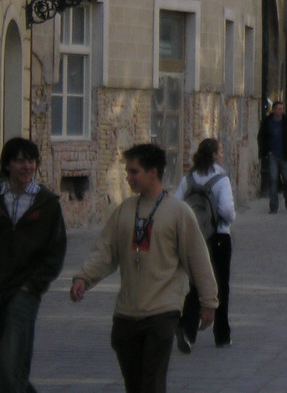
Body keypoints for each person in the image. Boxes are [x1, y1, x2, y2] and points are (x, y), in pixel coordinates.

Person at [70, 143, 217, 393]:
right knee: (134, 384)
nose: (128, 178)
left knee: (151, 382)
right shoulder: (125, 211)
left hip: (162, 310)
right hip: (127, 313)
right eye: (127, 172)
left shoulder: (178, 212)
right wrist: (84, 277)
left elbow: (197, 258)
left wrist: (208, 302)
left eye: (134, 172)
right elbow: (105, 251)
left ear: (153, 172)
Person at [1, 137, 67, 393]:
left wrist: (34, 285)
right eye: (20, 160)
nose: (26, 166)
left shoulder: (46, 203)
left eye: (30, 161)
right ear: (7, 165)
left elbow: (56, 250)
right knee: (8, 365)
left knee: (11, 357)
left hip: (23, 291)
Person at [172, 138, 234, 352]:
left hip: (193, 238)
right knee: (221, 285)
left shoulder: (189, 178)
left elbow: (176, 203)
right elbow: (227, 210)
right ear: (215, 155)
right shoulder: (221, 179)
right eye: (221, 151)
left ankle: (186, 328)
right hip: (218, 237)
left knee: (196, 283)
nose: (223, 155)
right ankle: (222, 334)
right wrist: (227, 219)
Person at [257, 101, 287, 213]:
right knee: (273, 180)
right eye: (278, 109)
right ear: (274, 110)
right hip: (273, 156)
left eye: (282, 109)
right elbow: (261, 137)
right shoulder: (267, 122)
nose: (280, 111)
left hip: (285, 155)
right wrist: (266, 152)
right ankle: (273, 206)